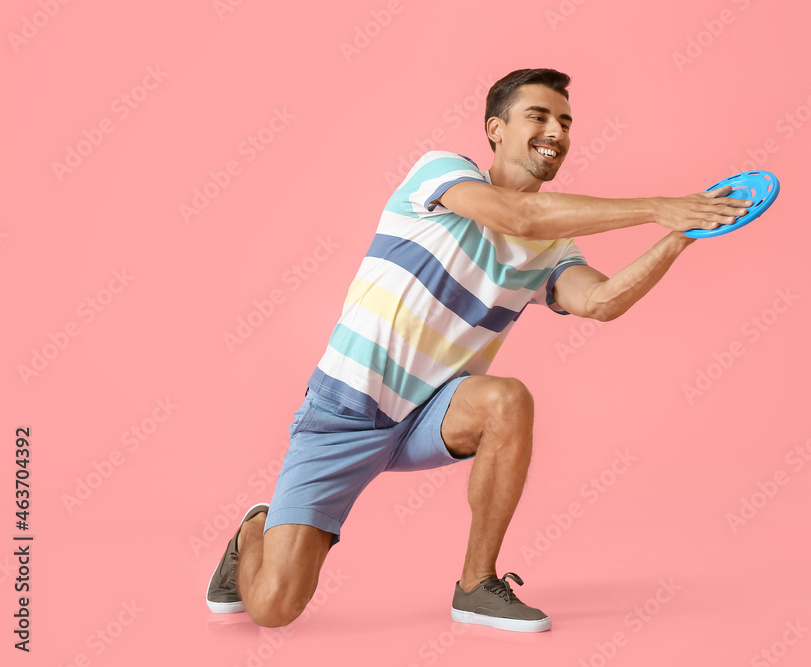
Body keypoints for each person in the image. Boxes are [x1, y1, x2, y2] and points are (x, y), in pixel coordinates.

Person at [205, 67, 752, 632]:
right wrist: (660, 206)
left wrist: (684, 233)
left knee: (507, 400)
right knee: (273, 609)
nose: (556, 131)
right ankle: (255, 529)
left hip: (430, 414)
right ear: (495, 129)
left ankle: (476, 584)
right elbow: (516, 214)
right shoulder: (441, 174)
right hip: (344, 416)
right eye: (538, 116)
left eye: (565, 122)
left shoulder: (552, 247)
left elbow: (603, 300)